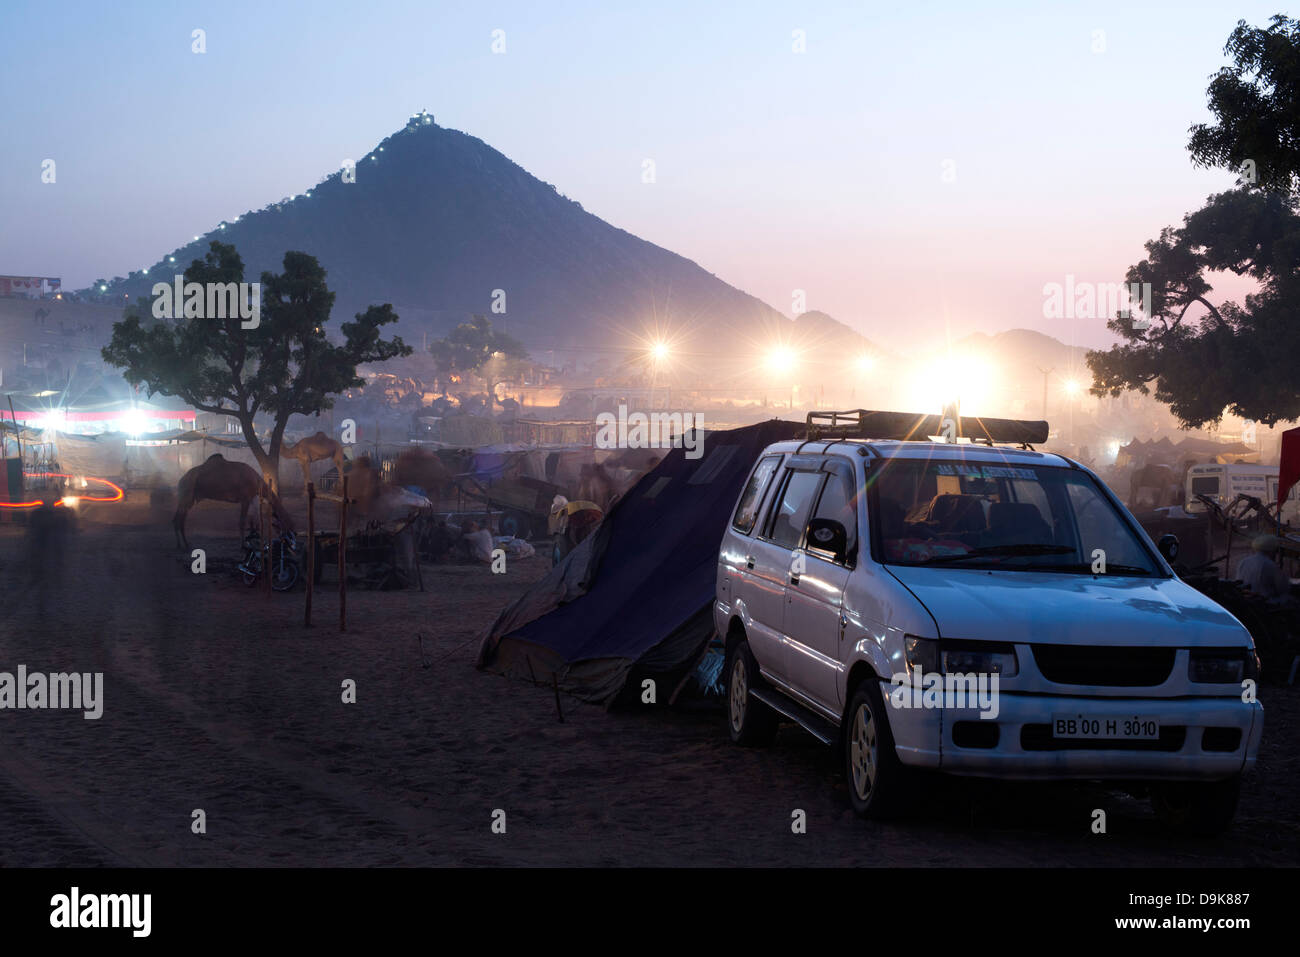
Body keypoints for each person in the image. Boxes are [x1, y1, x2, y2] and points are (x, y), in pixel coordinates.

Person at [1236, 534, 1294, 603]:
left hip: (1246, 601)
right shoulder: (1270, 565)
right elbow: (1283, 588)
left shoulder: (1244, 561)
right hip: (1264, 603)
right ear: (1272, 550)